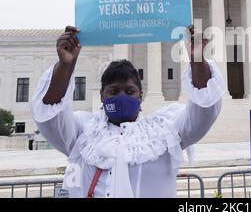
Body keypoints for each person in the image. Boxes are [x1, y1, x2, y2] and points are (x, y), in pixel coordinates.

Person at [32, 26, 225, 198]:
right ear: (102, 95)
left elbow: (203, 112)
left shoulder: (163, 131)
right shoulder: (84, 132)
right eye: (113, 91)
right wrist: (65, 66)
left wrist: (197, 59)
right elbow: (50, 117)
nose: (122, 97)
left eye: (130, 91)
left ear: (140, 95)